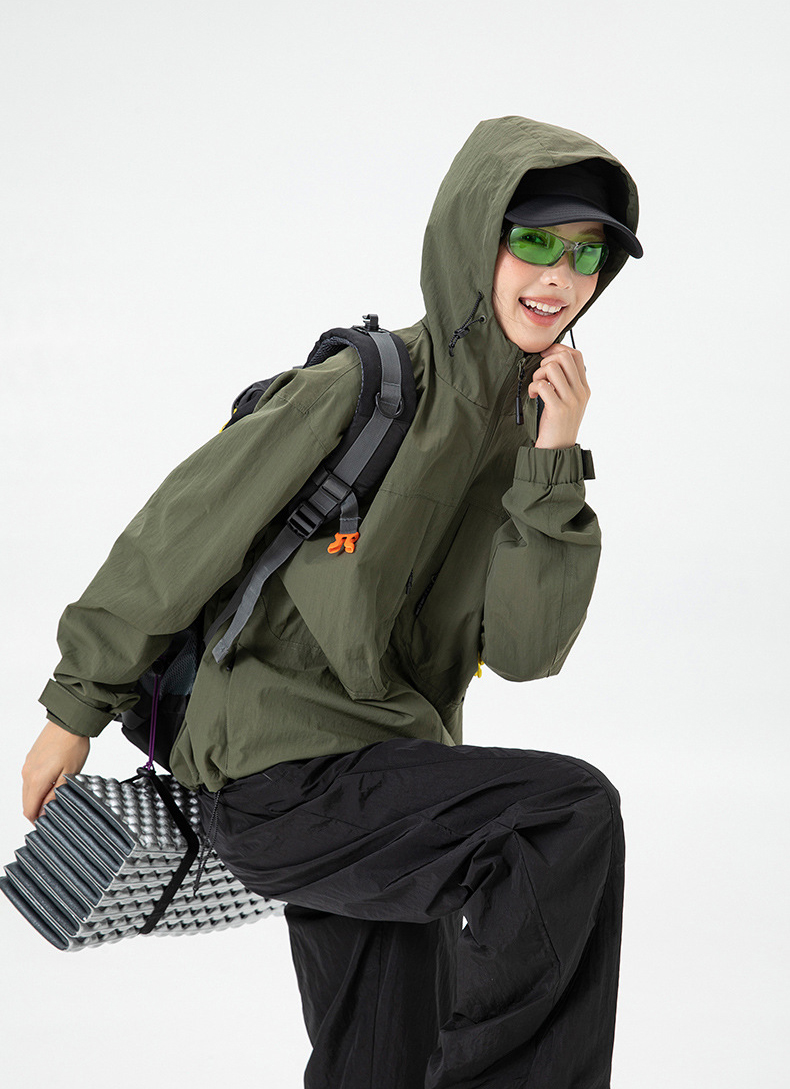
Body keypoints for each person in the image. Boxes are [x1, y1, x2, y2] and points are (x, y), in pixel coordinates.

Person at [21, 115, 642, 1088]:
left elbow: (525, 652)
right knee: (560, 817)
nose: (558, 275)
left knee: (379, 1060)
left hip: (390, 777)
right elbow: (179, 534)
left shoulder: (525, 434)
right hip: (283, 775)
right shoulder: (365, 385)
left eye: (586, 253)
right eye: (533, 240)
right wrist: (73, 711)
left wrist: (553, 465)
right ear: (475, 235)